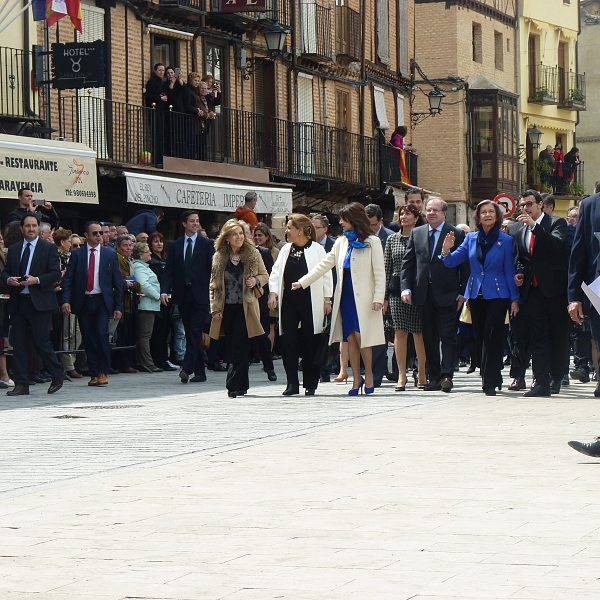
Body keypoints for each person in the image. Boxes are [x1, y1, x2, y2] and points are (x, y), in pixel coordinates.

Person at [290, 203, 385, 396]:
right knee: (350, 337)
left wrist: (378, 298)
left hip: (365, 298)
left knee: (362, 336)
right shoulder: (341, 242)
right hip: (346, 296)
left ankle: (369, 374)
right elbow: (324, 264)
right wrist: (303, 282)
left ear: (354, 219)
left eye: (343, 218)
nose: (340, 222)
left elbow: (380, 273)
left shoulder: (372, 241)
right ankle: (356, 378)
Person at [441, 200, 520, 395]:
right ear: (478, 216)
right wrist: (445, 249)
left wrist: (514, 299)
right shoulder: (471, 239)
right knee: (480, 337)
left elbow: (510, 270)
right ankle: (492, 375)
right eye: (483, 212)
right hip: (476, 294)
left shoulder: (506, 240)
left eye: (491, 212)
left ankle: (490, 381)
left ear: (497, 215)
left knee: (492, 337)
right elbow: (451, 262)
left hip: (498, 294)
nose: (487, 215)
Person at [400, 197, 469, 392]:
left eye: (435, 210)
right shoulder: (417, 233)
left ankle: (447, 374)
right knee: (428, 338)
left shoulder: (455, 233)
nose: (431, 213)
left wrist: (463, 293)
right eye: (428, 210)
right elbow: (408, 263)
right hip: (423, 294)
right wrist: (406, 287)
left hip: (448, 294)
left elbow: (464, 267)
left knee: (448, 336)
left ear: (444, 213)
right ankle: (434, 376)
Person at [506, 190, 569, 397]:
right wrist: (520, 273)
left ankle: (557, 375)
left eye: (529, 204)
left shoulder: (556, 223)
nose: (525, 209)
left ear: (541, 205)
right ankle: (541, 381)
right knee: (538, 336)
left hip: (554, 290)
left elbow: (556, 245)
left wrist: (535, 227)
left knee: (557, 335)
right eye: (522, 205)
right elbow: (521, 258)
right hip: (531, 291)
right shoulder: (518, 229)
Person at [268, 215, 333, 396]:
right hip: (289, 301)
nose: (286, 231)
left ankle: (310, 383)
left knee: (310, 340)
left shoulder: (317, 249)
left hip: (311, 301)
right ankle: (291, 383)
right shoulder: (285, 249)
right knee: (289, 341)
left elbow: (326, 274)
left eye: (289, 228)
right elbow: (276, 272)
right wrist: (273, 293)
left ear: (301, 230)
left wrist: (328, 299)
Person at [1, 214, 65, 396]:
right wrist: (9, 279)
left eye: (34, 226)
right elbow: (4, 273)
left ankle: (57, 373)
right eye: (27, 226)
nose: (30, 229)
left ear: (38, 228)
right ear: (22, 228)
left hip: (40, 302)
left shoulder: (48, 248)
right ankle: (21, 384)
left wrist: (36, 280)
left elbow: (55, 274)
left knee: (41, 342)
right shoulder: (13, 250)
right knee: (18, 343)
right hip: (19, 302)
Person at [209, 219, 269, 397]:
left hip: (246, 307)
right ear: (227, 237)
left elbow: (265, 275)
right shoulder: (219, 256)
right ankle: (242, 385)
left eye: (241, 233)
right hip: (226, 307)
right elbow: (213, 284)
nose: (239, 237)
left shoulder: (253, 254)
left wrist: (256, 280)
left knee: (240, 344)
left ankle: (232, 385)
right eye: (235, 234)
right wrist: (214, 308)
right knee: (233, 345)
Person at [61, 221, 124, 387]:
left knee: (102, 334)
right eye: (95, 233)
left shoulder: (109, 254)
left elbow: (117, 281)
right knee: (88, 337)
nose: (98, 236)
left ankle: (103, 370)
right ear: (86, 235)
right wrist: (66, 300)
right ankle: (94, 372)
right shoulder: (78, 255)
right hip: (84, 300)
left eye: (100, 233)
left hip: (102, 300)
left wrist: (118, 306)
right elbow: (69, 279)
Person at [161, 210, 215, 383]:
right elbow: (169, 270)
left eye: (197, 221)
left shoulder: (206, 244)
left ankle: (188, 367)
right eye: (192, 221)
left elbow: (212, 271)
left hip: (200, 294)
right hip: (182, 294)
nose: (195, 224)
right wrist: (164, 290)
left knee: (195, 331)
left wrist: (213, 293)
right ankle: (200, 372)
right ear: (184, 224)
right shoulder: (175, 245)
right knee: (190, 332)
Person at [384, 204, 427, 391]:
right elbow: (386, 268)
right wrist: (384, 296)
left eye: (408, 214)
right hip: (396, 290)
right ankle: (402, 374)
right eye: (401, 214)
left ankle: (422, 372)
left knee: (419, 332)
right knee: (400, 332)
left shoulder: (422, 238)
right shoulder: (392, 240)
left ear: (416, 218)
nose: (403, 217)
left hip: (418, 289)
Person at [365, 203, 394, 387]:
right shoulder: (359, 238)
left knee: (383, 334)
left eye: (373, 224)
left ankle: (380, 373)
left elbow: (389, 269)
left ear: (381, 221)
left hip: (385, 294)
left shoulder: (389, 238)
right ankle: (372, 371)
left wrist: (384, 297)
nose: (370, 228)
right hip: (365, 292)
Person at [52, 228, 81, 379]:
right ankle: (67, 366)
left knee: (76, 334)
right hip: (60, 299)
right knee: (67, 333)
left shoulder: (67, 257)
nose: (71, 244)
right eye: (70, 241)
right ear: (62, 242)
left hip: (69, 297)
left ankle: (71, 363)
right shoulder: (56, 257)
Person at [147, 232, 177, 371]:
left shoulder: (165, 259)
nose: (159, 244)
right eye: (155, 241)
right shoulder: (151, 261)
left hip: (168, 298)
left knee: (167, 330)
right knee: (158, 331)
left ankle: (166, 358)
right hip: (157, 299)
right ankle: (160, 359)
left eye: (161, 241)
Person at [132, 242, 162, 373]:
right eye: (147, 251)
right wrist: (157, 296)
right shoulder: (139, 267)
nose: (150, 253)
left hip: (150, 305)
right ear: (140, 255)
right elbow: (143, 284)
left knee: (146, 335)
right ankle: (146, 362)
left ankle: (146, 361)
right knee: (144, 336)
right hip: (146, 305)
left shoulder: (145, 267)